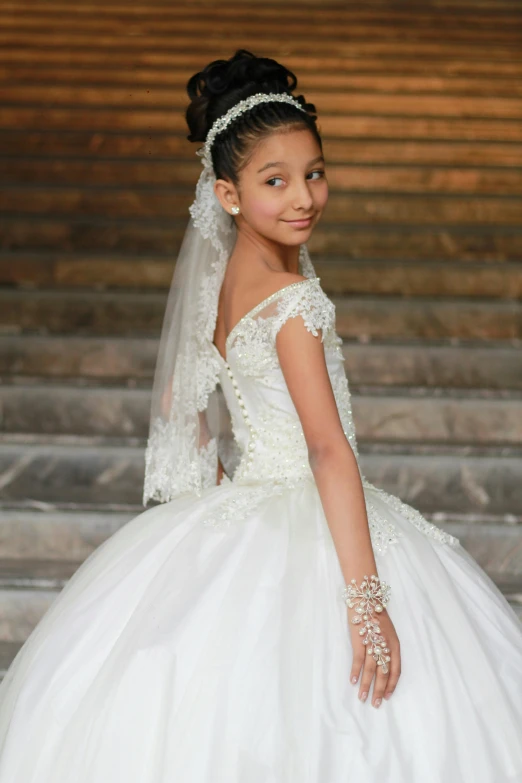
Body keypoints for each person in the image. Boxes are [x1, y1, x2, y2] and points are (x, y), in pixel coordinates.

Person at [0, 48, 521, 783]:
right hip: (308, 510)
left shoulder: (225, 287)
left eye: (314, 173)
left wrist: (222, 489)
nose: (303, 196)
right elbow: (329, 452)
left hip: (240, 504)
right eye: (274, 181)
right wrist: (366, 603)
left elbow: (184, 407)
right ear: (228, 194)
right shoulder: (292, 302)